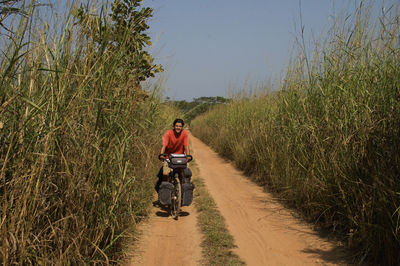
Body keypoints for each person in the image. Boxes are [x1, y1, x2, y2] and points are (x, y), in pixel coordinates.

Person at [155, 118, 192, 192]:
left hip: (180, 158)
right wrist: (162, 155)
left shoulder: (184, 134)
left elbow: (186, 147)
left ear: (182, 127)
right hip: (168, 157)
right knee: (165, 175)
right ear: (173, 126)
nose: (178, 127)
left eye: (180, 126)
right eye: (176, 126)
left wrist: (188, 156)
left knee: (184, 175)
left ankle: (182, 192)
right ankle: (166, 192)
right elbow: (164, 146)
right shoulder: (168, 133)